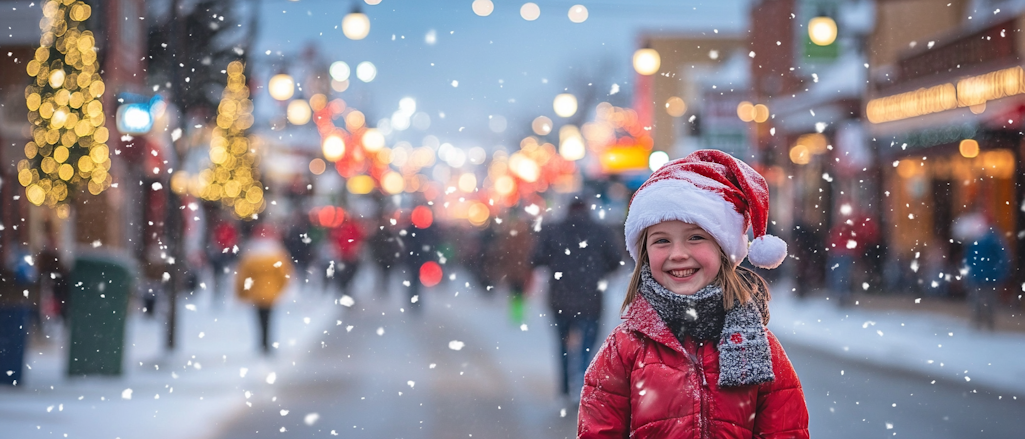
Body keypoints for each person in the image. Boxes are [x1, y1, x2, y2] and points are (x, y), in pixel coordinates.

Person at [578, 150, 808, 438]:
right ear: (645, 254)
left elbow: (786, 431)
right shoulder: (624, 350)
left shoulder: (760, 346)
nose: (678, 254)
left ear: (723, 249)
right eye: (662, 240)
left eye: (696, 237)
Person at [531, 197, 621, 402]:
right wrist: (597, 271)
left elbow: (536, 258)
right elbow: (616, 261)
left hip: (559, 298)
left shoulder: (552, 230)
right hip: (591, 298)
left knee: (562, 344)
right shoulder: (601, 231)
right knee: (587, 346)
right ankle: (582, 386)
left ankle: (564, 388)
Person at [236, 223, 294, 354]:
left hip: (256, 292)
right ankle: (267, 342)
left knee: (258, 318)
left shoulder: (250, 255)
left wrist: (242, 292)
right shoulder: (277, 254)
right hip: (271, 292)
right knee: (270, 318)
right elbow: (284, 273)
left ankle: (261, 342)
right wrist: (282, 288)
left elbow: (242, 276)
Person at [958, 212, 1009, 331]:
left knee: (986, 300)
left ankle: (985, 323)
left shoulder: (992, 239)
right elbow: (970, 257)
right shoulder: (980, 238)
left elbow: (1001, 257)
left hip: (987, 275)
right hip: (981, 275)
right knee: (979, 300)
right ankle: (980, 323)